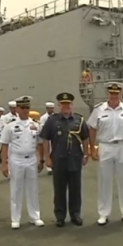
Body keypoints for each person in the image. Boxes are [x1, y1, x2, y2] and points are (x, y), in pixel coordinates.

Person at [87, 82, 123, 226]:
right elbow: (92, 129)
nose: (114, 96)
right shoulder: (99, 109)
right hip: (105, 146)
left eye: (117, 93)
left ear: (121, 94)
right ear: (108, 94)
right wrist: (92, 148)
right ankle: (103, 213)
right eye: (112, 93)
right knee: (105, 181)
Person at [40, 92, 90, 227]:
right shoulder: (52, 121)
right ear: (59, 105)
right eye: (63, 104)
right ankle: (60, 216)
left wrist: (86, 154)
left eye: (68, 104)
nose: (66, 107)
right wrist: (46, 158)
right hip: (58, 160)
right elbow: (45, 139)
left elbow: (85, 138)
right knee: (59, 189)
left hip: (75, 159)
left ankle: (75, 214)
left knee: (75, 189)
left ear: (72, 105)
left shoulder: (79, 120)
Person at [0, 96, 45, 229]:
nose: (26, 110)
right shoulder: (10, 126)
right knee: (16, 189)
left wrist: (41, 160)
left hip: (31, 158)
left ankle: (35, 216)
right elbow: (4, 145)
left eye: (27, 108)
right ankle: (15, 218)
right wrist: (4, 164)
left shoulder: (35, 125)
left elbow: (40, 144)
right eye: (23, 108)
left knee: (33, 189)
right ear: (17, 109)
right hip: (16, 159)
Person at [40, 102, 55, 176]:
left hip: (54, 137)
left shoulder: (56, 116)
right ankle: (49, 168)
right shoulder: (43, 118)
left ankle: (54, 165)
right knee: (48, 151)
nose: (51, 110)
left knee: (54, 151)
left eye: (52, 108)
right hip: (47, 137)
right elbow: (43, 128)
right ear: (47, 109)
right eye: (50, 108)